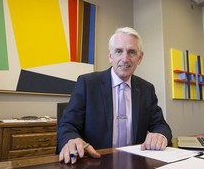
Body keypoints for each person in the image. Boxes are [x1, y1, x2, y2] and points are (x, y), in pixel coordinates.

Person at [57, 27, 172, 164]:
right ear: (110, 56)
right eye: (118, 51)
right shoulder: (87, 83)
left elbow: (161, 125)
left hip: (135, 162)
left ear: (140, 58)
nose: (125, 59)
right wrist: (71, 139)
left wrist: (160, 135)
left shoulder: (146, 89)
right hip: (95, 162)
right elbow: (67, 125)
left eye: (132, 52)